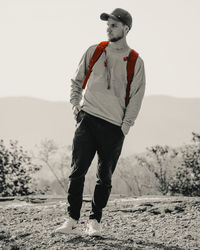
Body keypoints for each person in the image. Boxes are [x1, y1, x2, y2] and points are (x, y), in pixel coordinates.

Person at [55, 8, 146, 236]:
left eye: (114, 25)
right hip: (87, 119)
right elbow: (76, 81)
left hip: (114, 127)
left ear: (126, 29)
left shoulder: (136, 61)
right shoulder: (94, 51)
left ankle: (94, 222)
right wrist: (76, 106)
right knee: (77, 172)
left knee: (104, 178)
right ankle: (72, 220)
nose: (109, 28)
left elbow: (137, 97)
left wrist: (125, 127)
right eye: (108, 24)